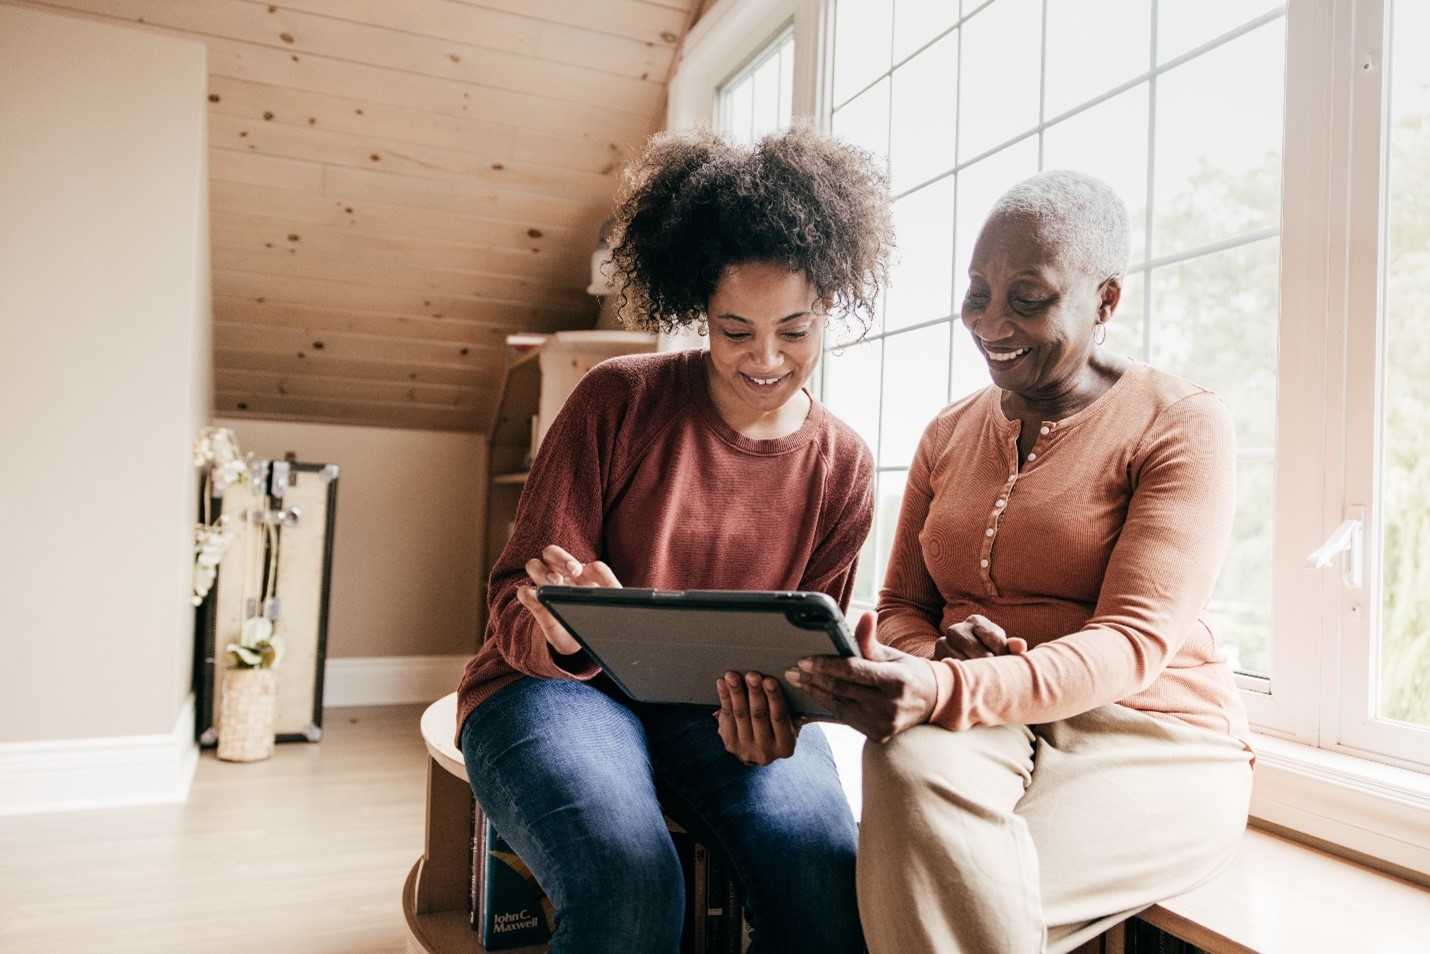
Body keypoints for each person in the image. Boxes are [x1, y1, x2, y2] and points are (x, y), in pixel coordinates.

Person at [455, 124, 894, 954]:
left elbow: (808, 650)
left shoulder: (843, 466)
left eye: (794, 331)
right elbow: (513, 602)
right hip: (555, 694)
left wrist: (793, 712)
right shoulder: (616, 399)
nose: (766, 358)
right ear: (699, 308)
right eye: (736, 330)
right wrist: (559, 625)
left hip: (723, 711)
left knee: (827, 880)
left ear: (830, 308)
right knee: (629, 884)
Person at [788, 170, 1254, 954]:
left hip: (1150, 734)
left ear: (1105, 302)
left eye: (1027, 298)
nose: (990, 322)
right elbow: (902, 606)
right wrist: (938, 659)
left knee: (941, 894)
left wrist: (953, 681)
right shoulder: (946, 432)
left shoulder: (1180, 424)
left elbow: (1134, 641)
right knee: (902, 766)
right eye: (977, 293)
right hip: (990, 722)